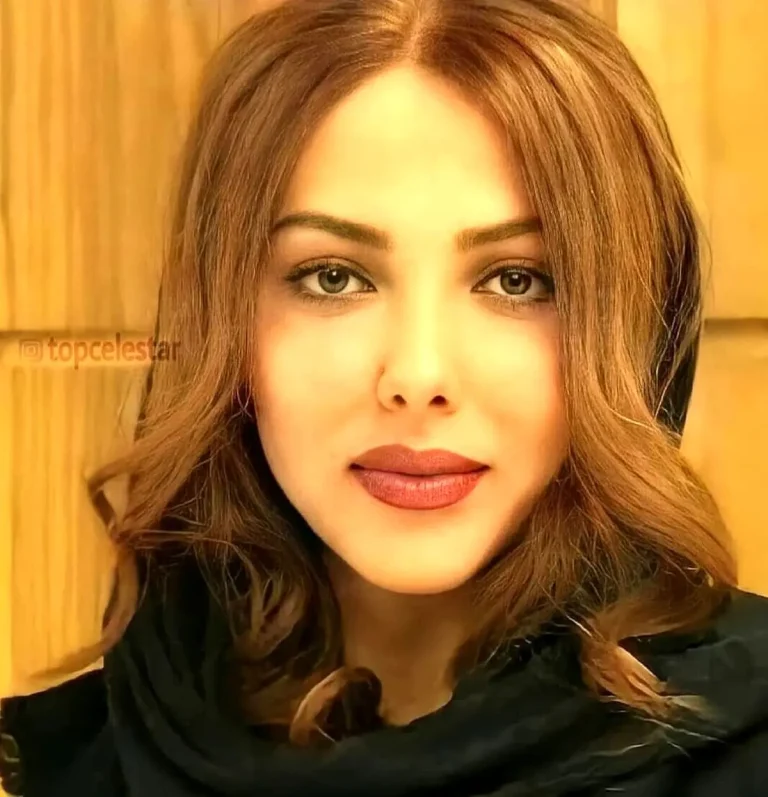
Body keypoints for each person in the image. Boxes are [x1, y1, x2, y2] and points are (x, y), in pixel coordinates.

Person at [2, 0, 768, 794]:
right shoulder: (76, 760)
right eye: (333, 277)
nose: (418, 374)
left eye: (517, 280)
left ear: (638, 327)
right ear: (220, 313)